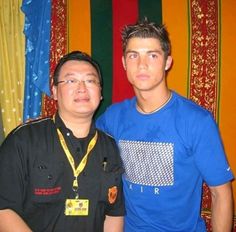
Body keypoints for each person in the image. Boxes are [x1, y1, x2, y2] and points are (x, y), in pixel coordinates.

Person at [96, 18, 234, 231]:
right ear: (124, 63)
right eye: (133, 55)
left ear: (167, 62)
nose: (142, 64)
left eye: (152, 55)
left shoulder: (197, 121)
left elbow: (220, 193)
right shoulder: (112, 117)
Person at [0, 51, 125, 232]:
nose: (82, 88)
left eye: (90, 81)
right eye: (71, 80)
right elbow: (4, 209)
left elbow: (114, 213)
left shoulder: (110, 147)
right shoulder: (23, 140)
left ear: (100, 93)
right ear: (55, 90)